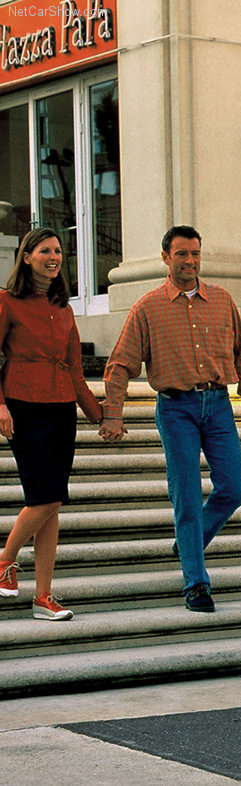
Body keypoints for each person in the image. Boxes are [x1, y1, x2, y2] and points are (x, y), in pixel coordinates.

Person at [99, 226, 241, 613]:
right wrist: (112, 413)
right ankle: (196, 584)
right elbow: (120, 363)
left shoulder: (223, 300)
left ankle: (188, 543)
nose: (190, 261)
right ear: (165, 258)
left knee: (233, 489)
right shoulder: (147, 307)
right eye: (181, 254)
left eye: (195, 254)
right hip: (175, 409)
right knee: (186, 496)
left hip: (218, 404)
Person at [0, 227, 105, 621]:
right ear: (26, 257)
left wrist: (99, 414)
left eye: (58, 251)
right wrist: (0, 405)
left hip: (61, 407)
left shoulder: (64, 308)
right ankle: (5, 559)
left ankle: (43, 596)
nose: (53, 256)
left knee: (52, 502)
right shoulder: (7, 301)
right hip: (23, 407)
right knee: (44, 497)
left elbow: (76, 368)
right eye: (45, 250)